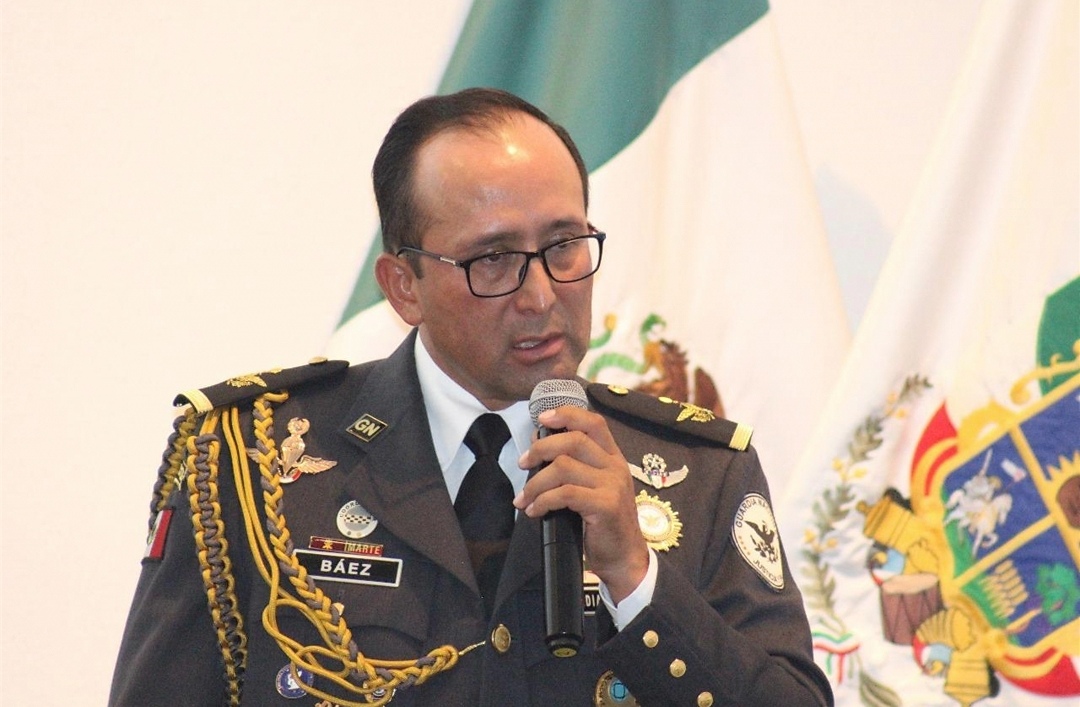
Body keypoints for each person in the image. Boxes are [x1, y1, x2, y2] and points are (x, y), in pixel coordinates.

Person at [109, 87, 833, 707]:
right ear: (404, 287)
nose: (541, 295)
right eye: (493, 259)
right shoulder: (250, 462)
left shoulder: (699, 474)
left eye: (564, 245)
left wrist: (636, 578)